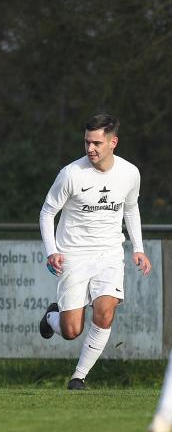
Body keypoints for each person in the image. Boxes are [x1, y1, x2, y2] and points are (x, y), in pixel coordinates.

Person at [38, 114, 151, 390]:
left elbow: (131, 208)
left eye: (97, 143)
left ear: (113, 142)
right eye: (87, 142)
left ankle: (79, 377)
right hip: (74, 254)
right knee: (71, 331)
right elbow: (47, 212)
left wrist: (138, 248)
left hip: (110, 253)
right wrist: (52, 251)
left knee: (105, 311)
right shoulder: (71, 174)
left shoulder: (129, 173)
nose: (91, 149)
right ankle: (52, 317)